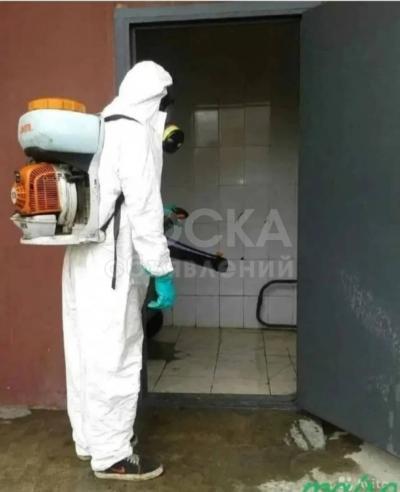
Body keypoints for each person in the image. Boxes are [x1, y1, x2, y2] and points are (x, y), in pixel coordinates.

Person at [62, 61, 176, 481]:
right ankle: (112, 455)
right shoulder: (134, 133)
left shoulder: (99, 126)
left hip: (80, 257)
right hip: (111, 264)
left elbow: (110, 194)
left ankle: (90, 440)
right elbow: (143, 209)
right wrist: (161, 271)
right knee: (116, 356)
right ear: (153, 98)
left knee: (84, 353)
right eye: (163, 101)